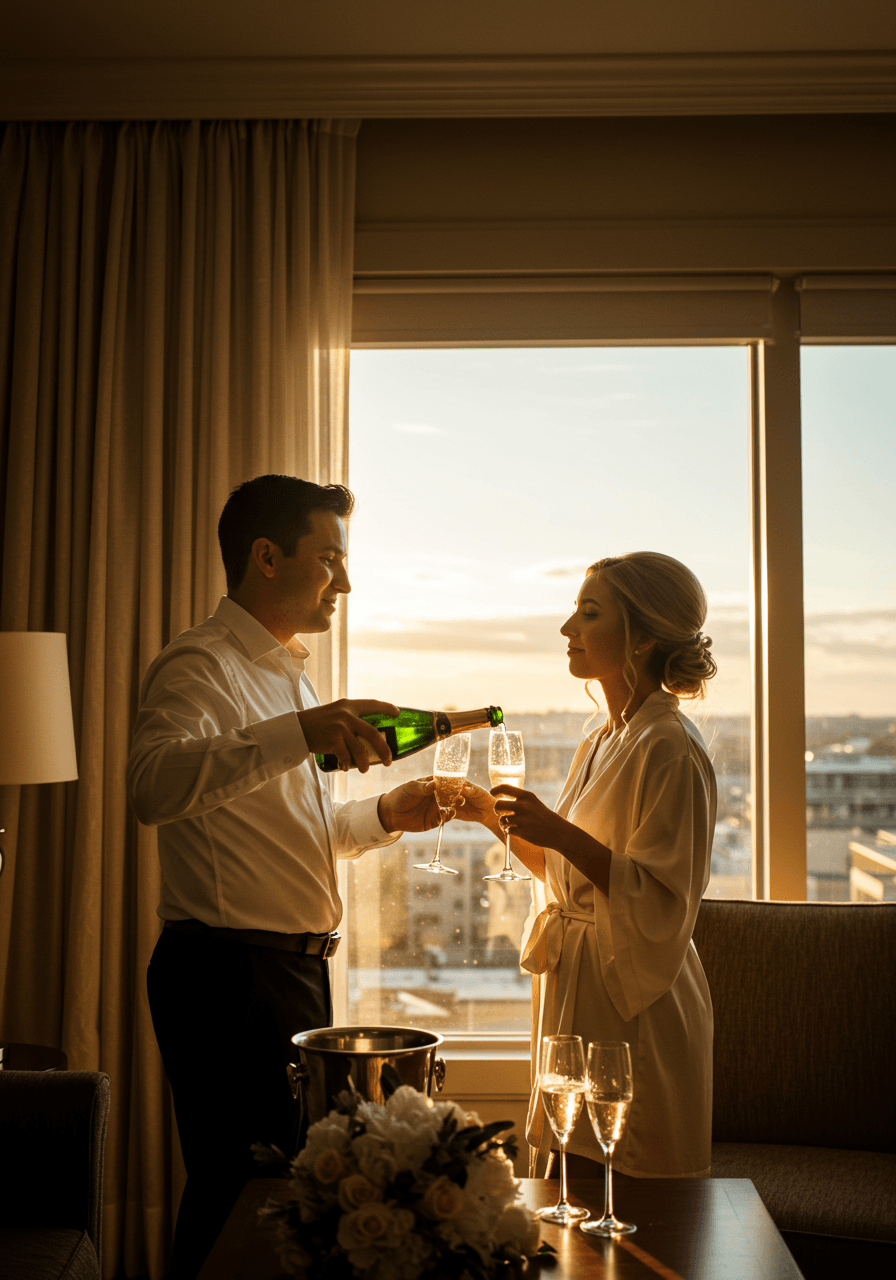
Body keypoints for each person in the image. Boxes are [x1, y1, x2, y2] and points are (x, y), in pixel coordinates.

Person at [127, 474, 441, 1279]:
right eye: (329, 559)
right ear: (267, 557)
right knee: (242, 1192)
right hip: (228, 975)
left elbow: (293, 832)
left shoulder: (287, 676)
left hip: (289, 972)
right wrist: (300, 729)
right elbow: (152, 788)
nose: (345, 580)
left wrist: (383, 815)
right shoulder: (198, 666)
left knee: (287, 1194)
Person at [461, 551, 718, 1179]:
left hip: (634, 1002)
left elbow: (663, 898)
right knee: (571, 1192)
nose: (567, 628)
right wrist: (482, 813)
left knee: (634, 1201)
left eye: (589, 612)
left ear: (645, 635)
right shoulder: (601, 738)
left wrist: (559, 830)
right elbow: (562, 878)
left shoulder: (670, 747)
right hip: (580, 988)